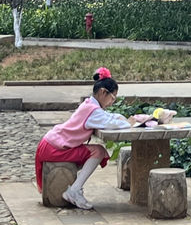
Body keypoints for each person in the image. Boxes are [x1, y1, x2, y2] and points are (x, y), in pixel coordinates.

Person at [35, 67, 140, 210]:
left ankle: (75, 188)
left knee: (97, 151)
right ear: (103, 93)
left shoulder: (89, 104)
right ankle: (74, 190)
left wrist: (122, 119)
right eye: (112, 98)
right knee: (98, 152)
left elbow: (108, 118)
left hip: (51, 143)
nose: (112, 102)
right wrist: (127, 123)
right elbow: (111, 123)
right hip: (54, 148)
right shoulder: (93, 111)